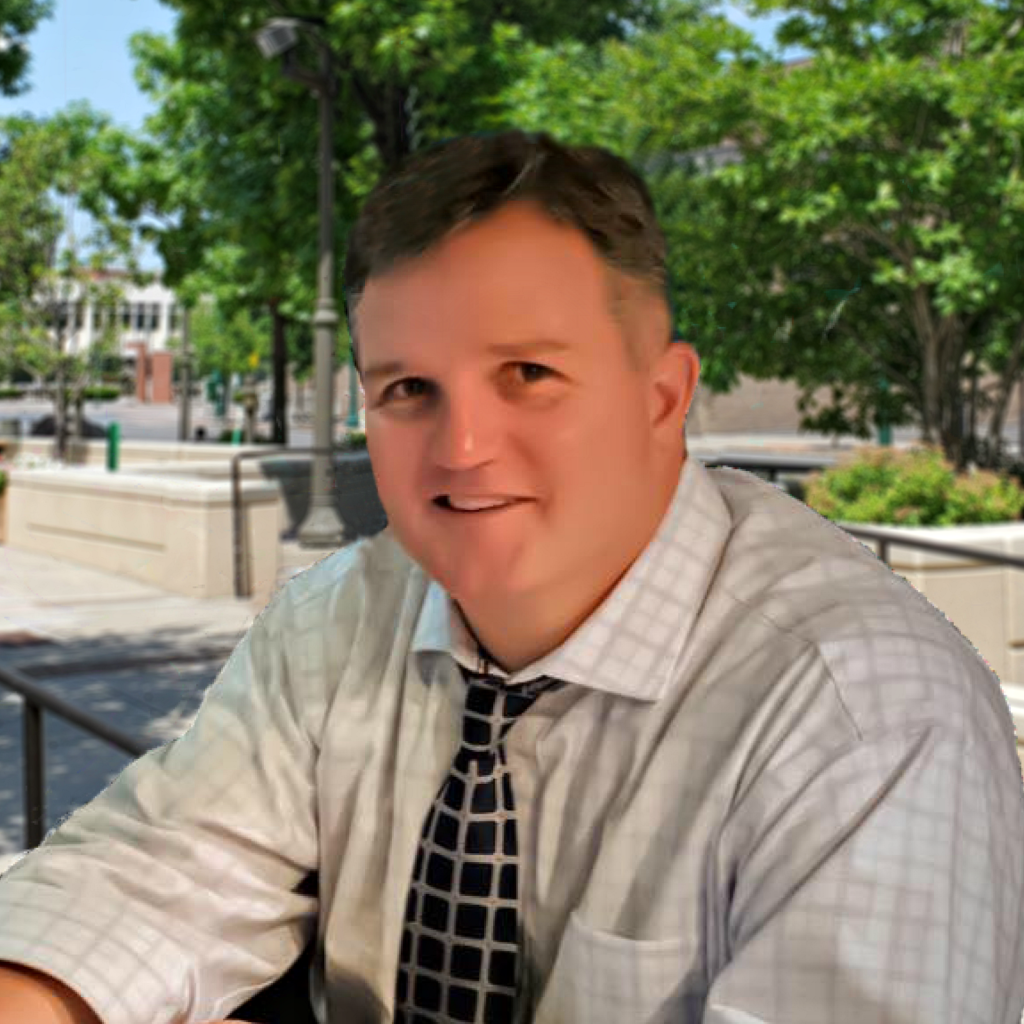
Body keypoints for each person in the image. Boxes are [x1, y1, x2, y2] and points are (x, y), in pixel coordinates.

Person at [0, 128, 1022, 1024]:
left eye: (527, 373)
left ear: (662, 399)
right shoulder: (334, 622)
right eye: (408, 389)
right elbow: (155, 868)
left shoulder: (868, 717)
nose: (463, 445)